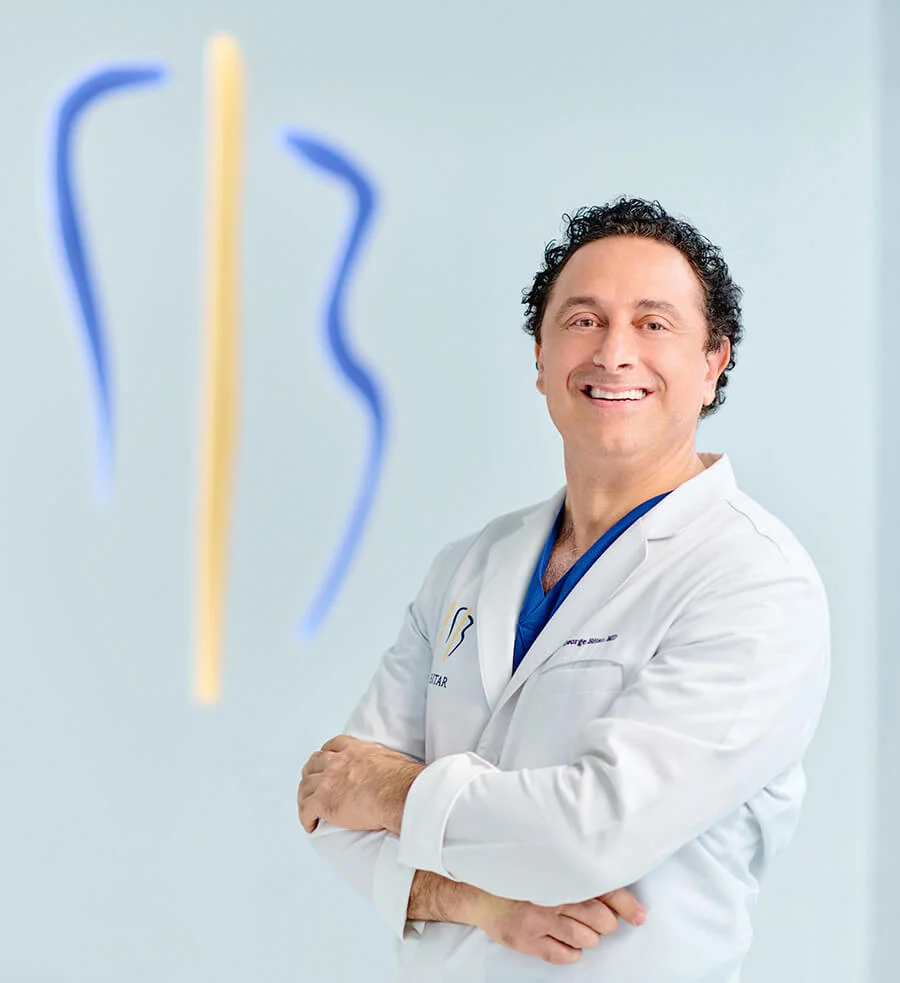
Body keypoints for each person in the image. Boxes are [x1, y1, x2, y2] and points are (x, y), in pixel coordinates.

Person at [296, 198, 830, 982]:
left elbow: (587, 835)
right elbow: (328, 813)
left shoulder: (753, 583)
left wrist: (386, 788)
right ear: (541, 358)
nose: (614, 353)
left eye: (655, 324)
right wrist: (484, 903)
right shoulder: (470, 565)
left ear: (714, 362)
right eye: (582, 320)